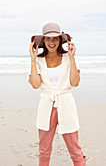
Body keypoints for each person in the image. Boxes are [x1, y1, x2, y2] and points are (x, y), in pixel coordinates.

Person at [28, 22, 89, 166]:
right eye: (48, 39)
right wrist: (32, 58)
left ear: (60, 40)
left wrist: (72, 57)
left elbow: (75, 83)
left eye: (55, 38)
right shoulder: (38, 60)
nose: (51, 42)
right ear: (43, 40)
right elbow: (36, 85)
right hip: (46, 106)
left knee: (75, 149)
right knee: (44, 151)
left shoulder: (68, 58)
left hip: (66, 104)